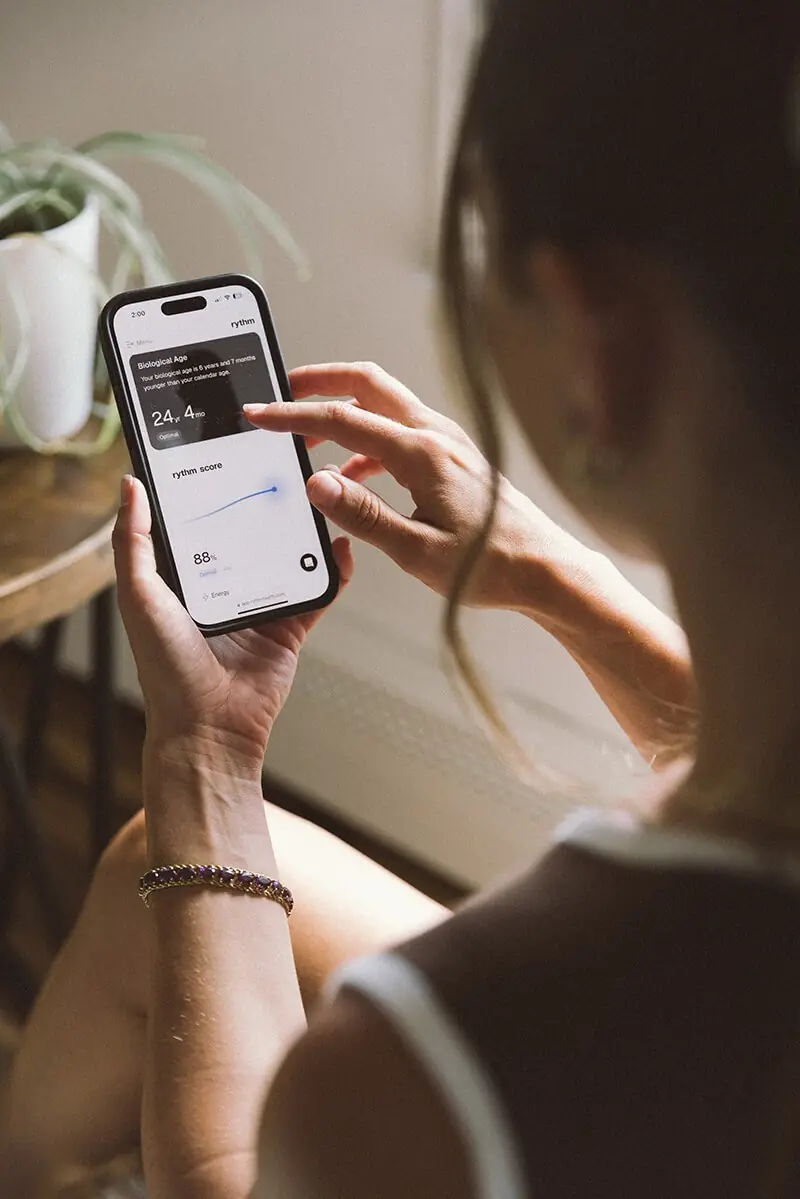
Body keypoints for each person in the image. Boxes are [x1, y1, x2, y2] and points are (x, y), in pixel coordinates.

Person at [3, 0, 800, 1194]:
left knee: (191, 863)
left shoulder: (412, 1073)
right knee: (138, 875)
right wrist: (558, 582)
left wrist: (206, 762)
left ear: (596, 335)